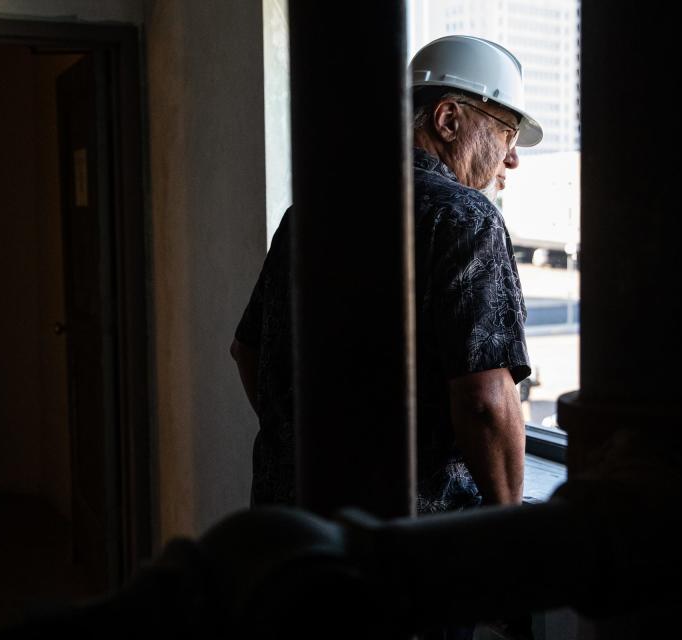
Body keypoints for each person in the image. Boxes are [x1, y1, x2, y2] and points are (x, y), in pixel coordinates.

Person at [231, 35, 542, 517]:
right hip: (405, 547)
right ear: (448, 119)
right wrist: (507, 521)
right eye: (507, 133)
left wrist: (306, 449)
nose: (513, 158)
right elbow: (484, 401)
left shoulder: (310, 211)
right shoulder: (464, 216)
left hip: (293, 530)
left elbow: (247, 350)